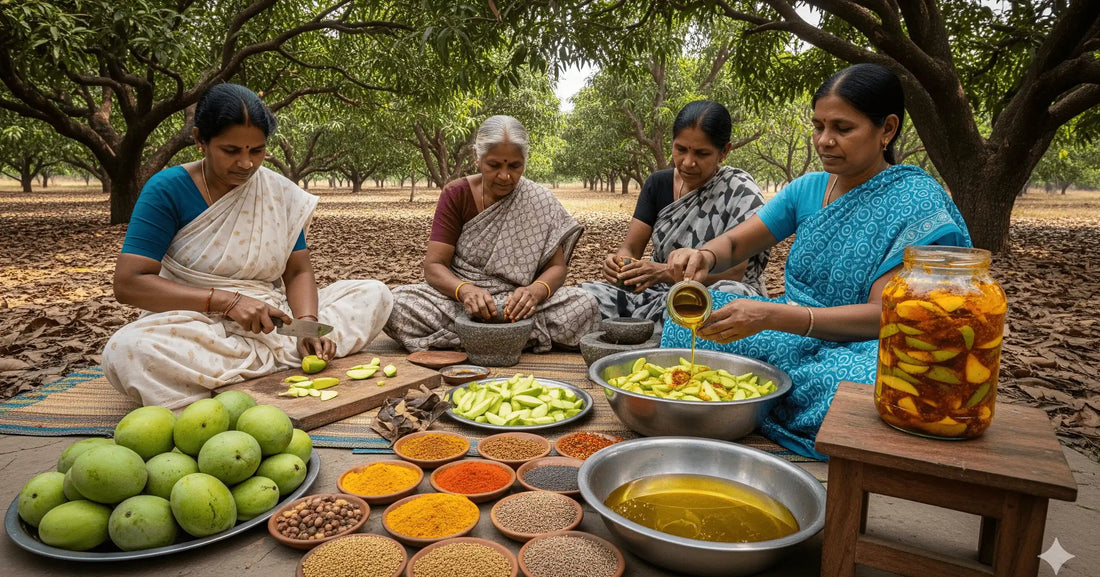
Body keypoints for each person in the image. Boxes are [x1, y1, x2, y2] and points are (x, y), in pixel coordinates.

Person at [663, 64, 972, 459]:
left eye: (842, 129)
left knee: (862, 392)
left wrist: (771, 317)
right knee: (685, 323)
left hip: (868, 349)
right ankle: (755, 400)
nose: (824, 140)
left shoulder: (915, 202)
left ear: (887, 129)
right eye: (818, 126)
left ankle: (751, 401)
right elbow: (738, 243)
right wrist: (705, 254)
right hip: (795, 333)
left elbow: (884, 317)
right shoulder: (809, 188)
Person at [102, 83, 392, 410]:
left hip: (272, 319)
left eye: (256, 151)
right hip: (194, 322)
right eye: (231, 151)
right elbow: (129, 283)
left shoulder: (277, 193)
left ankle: (252, 369)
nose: (246, 164)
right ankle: (268, 366)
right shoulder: (167, 189)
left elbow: (297, 271)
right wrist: (227, 302)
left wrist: (307, 325)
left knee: (374, 294)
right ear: (200, 140)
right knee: (127, 351)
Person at [384, 115, 600, 352]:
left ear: (525, 162)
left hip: (520, 304)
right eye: (494, 165)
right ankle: (515, 337)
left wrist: (534, 292)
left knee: (584, 305)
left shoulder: (538, 200)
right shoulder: (457, 194)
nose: (505, 176)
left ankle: (475, 336)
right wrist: (465, 291)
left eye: (514, 166)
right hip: (461, 302)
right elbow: (434, 266)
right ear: (478, 159)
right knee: (395, 305)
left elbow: (557, 268)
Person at [579, 100, 769, 333]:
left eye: (701, 153)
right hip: (656, 294)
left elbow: (734, 272)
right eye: (681, 149)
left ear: (724, 152)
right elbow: (630, 249)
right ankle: (650, 333)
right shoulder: (657, 184)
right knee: (582, 299)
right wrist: (619, 266)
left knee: (722, 300)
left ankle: (641, 332)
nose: (688, 163)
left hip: (712, 293)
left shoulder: (740, 191)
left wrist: (667, 273)